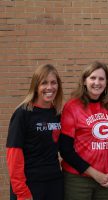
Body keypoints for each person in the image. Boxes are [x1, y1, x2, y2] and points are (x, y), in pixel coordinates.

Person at [59, 61, 108, 200]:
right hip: (78, 179)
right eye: (92, 78)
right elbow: (65, 149)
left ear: (107, 83)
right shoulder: (72, 107)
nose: (97, 82)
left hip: (105, 179)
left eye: (101, 79)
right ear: (84, 81)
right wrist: (94, 174)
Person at [6, 64, 64, 200]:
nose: (49, 87)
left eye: (53, 83)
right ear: (36, 86)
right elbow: (14, 154)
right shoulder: (23, 113)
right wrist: (21, 191)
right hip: (29, 185)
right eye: (44, 83)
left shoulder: (57, 113)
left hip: (54, 183)